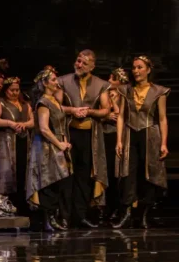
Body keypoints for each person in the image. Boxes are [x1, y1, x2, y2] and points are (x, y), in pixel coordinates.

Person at [113, 56, 169, 229]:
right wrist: (119, 140)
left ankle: (144, 213)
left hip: (150, 134)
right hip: (130, 133)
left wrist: (164, 143)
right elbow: (121, 116)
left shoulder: (159, 91)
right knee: (128, 173)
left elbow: (162, 119)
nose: (136, 71)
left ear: (148, 70)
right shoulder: (126, 90)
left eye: (140, 67)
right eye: (134, 68)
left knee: (149, 174)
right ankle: (127, 213)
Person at [56, 49, 110, 228]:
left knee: (84, 176)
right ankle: (64, 216)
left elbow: (106, 110)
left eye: (84, 63)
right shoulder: (63, 81)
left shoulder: (101, 84)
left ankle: (80, 215)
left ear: (92, 66)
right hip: (69, 135)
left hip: (89, 136)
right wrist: (72, 110)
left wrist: (89, 111)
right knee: (66, 175)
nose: (79, 65)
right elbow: (55, 106)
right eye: (78, 61)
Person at [27, 68, 72, 231]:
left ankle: (56, 215)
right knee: (48, 181)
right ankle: (48, 219)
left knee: (59, 181)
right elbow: (44, 128)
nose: (56, 82)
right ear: (45, 83)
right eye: (53, 80)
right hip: (47, 146)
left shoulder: (54, 101)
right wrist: (59, 144)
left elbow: (61, 124)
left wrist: (65, 141)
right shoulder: (43, 103)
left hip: (58, 145)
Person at [0, 77, 34, 207]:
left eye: (17, 90)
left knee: (22, 169)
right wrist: (9, 123)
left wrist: (25, 124)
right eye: (12, 90)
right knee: (6, 171)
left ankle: (21, 201)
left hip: (23, 141)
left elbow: (32, 121)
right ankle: (4, 201)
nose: (15, 93)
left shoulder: (25, 104)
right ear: (5, 90)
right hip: (5, 142)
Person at [101, 67, 128, 223]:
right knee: (109, 172)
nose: (109, 81)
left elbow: (120, 114)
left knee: (120, 172)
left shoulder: (123, 95)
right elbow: (101, 113)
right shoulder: (105, 93)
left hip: (120, 135)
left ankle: (120, 206)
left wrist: (114, 101)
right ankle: (108, 206)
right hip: (106, 135)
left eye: (113, 78)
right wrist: (106, 115)